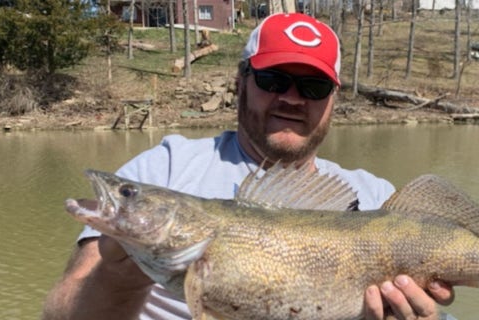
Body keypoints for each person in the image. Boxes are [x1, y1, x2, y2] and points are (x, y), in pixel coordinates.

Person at [42, 13, 453, 320]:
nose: (292, 98)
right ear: (241, 82)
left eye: (313, 87)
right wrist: (119, 278)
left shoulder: (379, 200)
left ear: (332, 101)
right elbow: (60, 314)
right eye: (274, 79)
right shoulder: (163, 170)